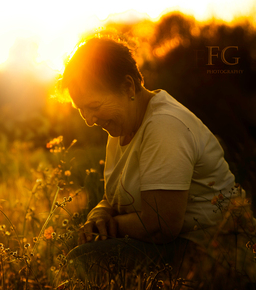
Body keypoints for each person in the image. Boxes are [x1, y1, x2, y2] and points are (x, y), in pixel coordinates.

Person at [61, 36, 253, 276]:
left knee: (84, 260)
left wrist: (109, 227)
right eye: (82, 110)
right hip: (167, 244)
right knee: (72, 245)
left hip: (209, 250)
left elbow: (161, 225)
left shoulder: (164, 126)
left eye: (95, 106)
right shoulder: (120, 125)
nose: (89, 120)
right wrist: (99, 213)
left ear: (128, 87)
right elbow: (116, 198)